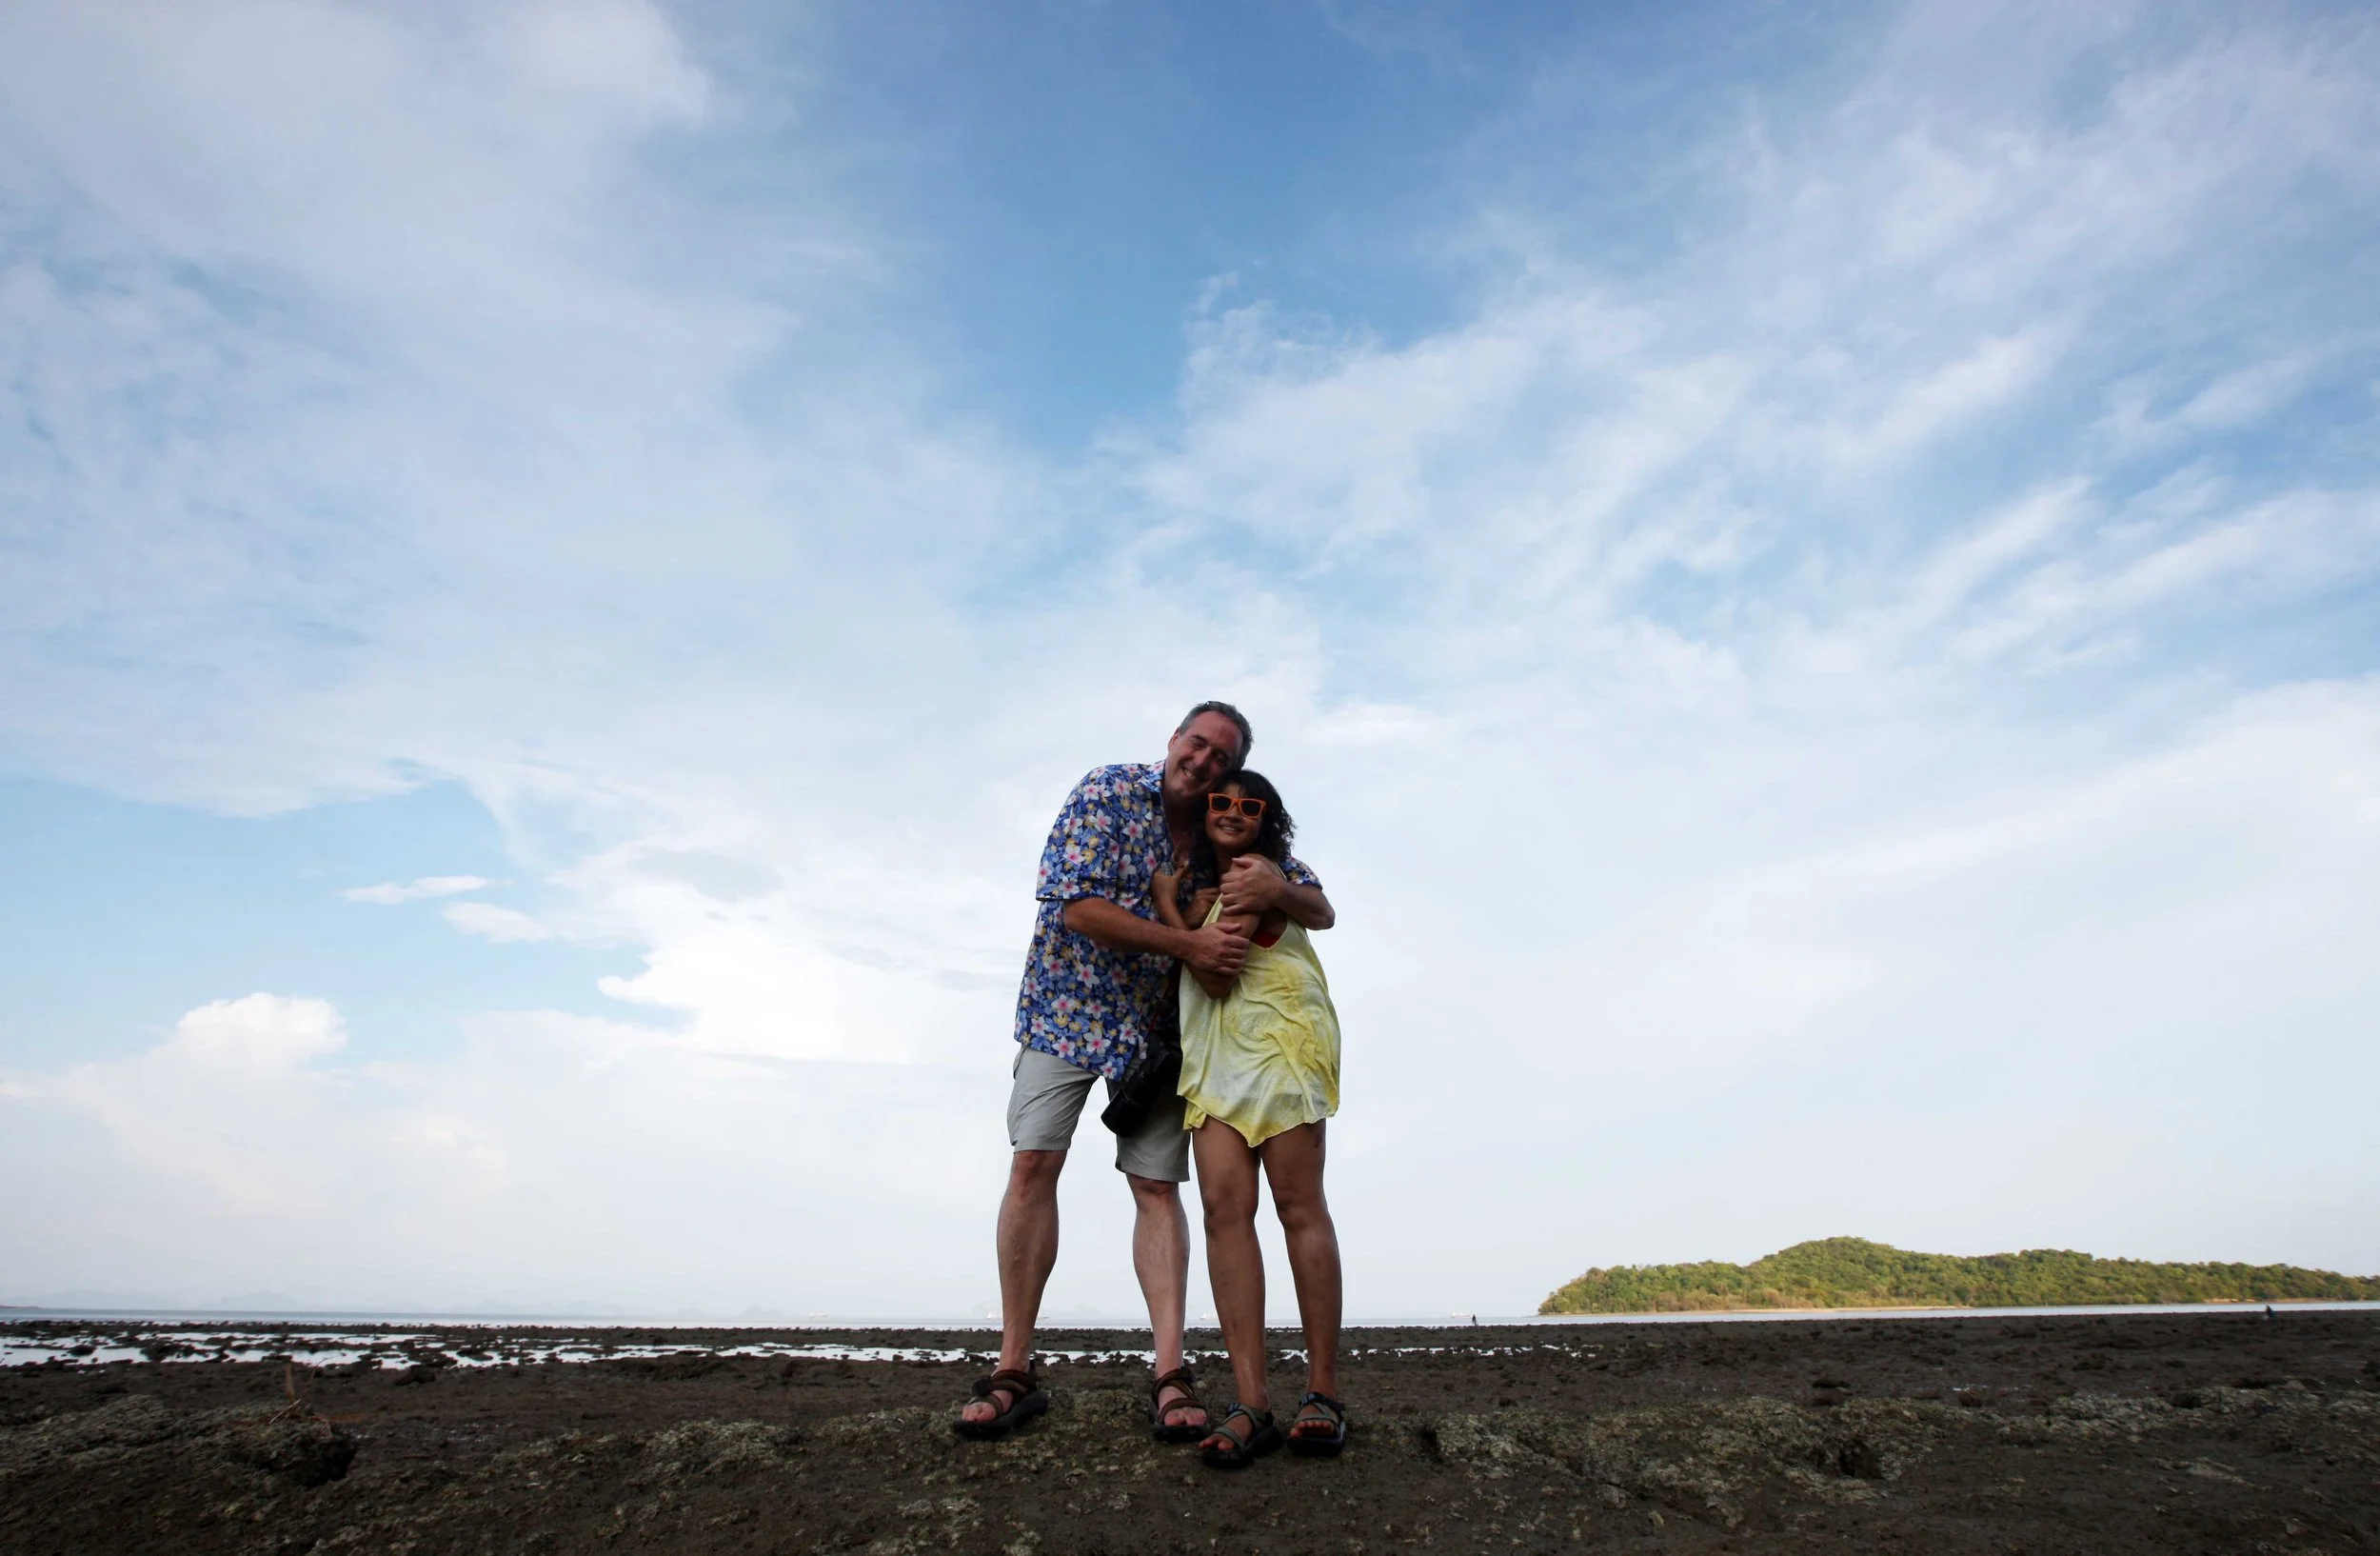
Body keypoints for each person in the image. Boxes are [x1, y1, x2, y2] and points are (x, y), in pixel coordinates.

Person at [956, 703, 1336, 1442]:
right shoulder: (1107, 791)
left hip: (1162, 1035)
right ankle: (1013, 1368)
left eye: (1220, 758)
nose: (1203, 763)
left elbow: (1313, 902)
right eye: (1196, 744)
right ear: (1174, 740)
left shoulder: (1233, 826)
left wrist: (1262, 900)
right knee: (1033, 1165)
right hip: (1064, 1008)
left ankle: (1170, 1372)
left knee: (1157, 1188)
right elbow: (1074, 907)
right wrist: (1186, 946)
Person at [1152, 769, 1346, 1467]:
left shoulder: (1258, 874)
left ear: (1267, 818)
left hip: (1279, 1043)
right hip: (1217, 1053)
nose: (1232, 812)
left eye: (1248, 805)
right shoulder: (1213, 880)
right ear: (1203, 813)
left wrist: (1166, 912)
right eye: (1220, 803)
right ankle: (1252, 1402)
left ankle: (1321, 1394)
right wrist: (1185, 902)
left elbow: (1215, 971)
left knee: (1298, 1206)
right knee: (1223, 1210)